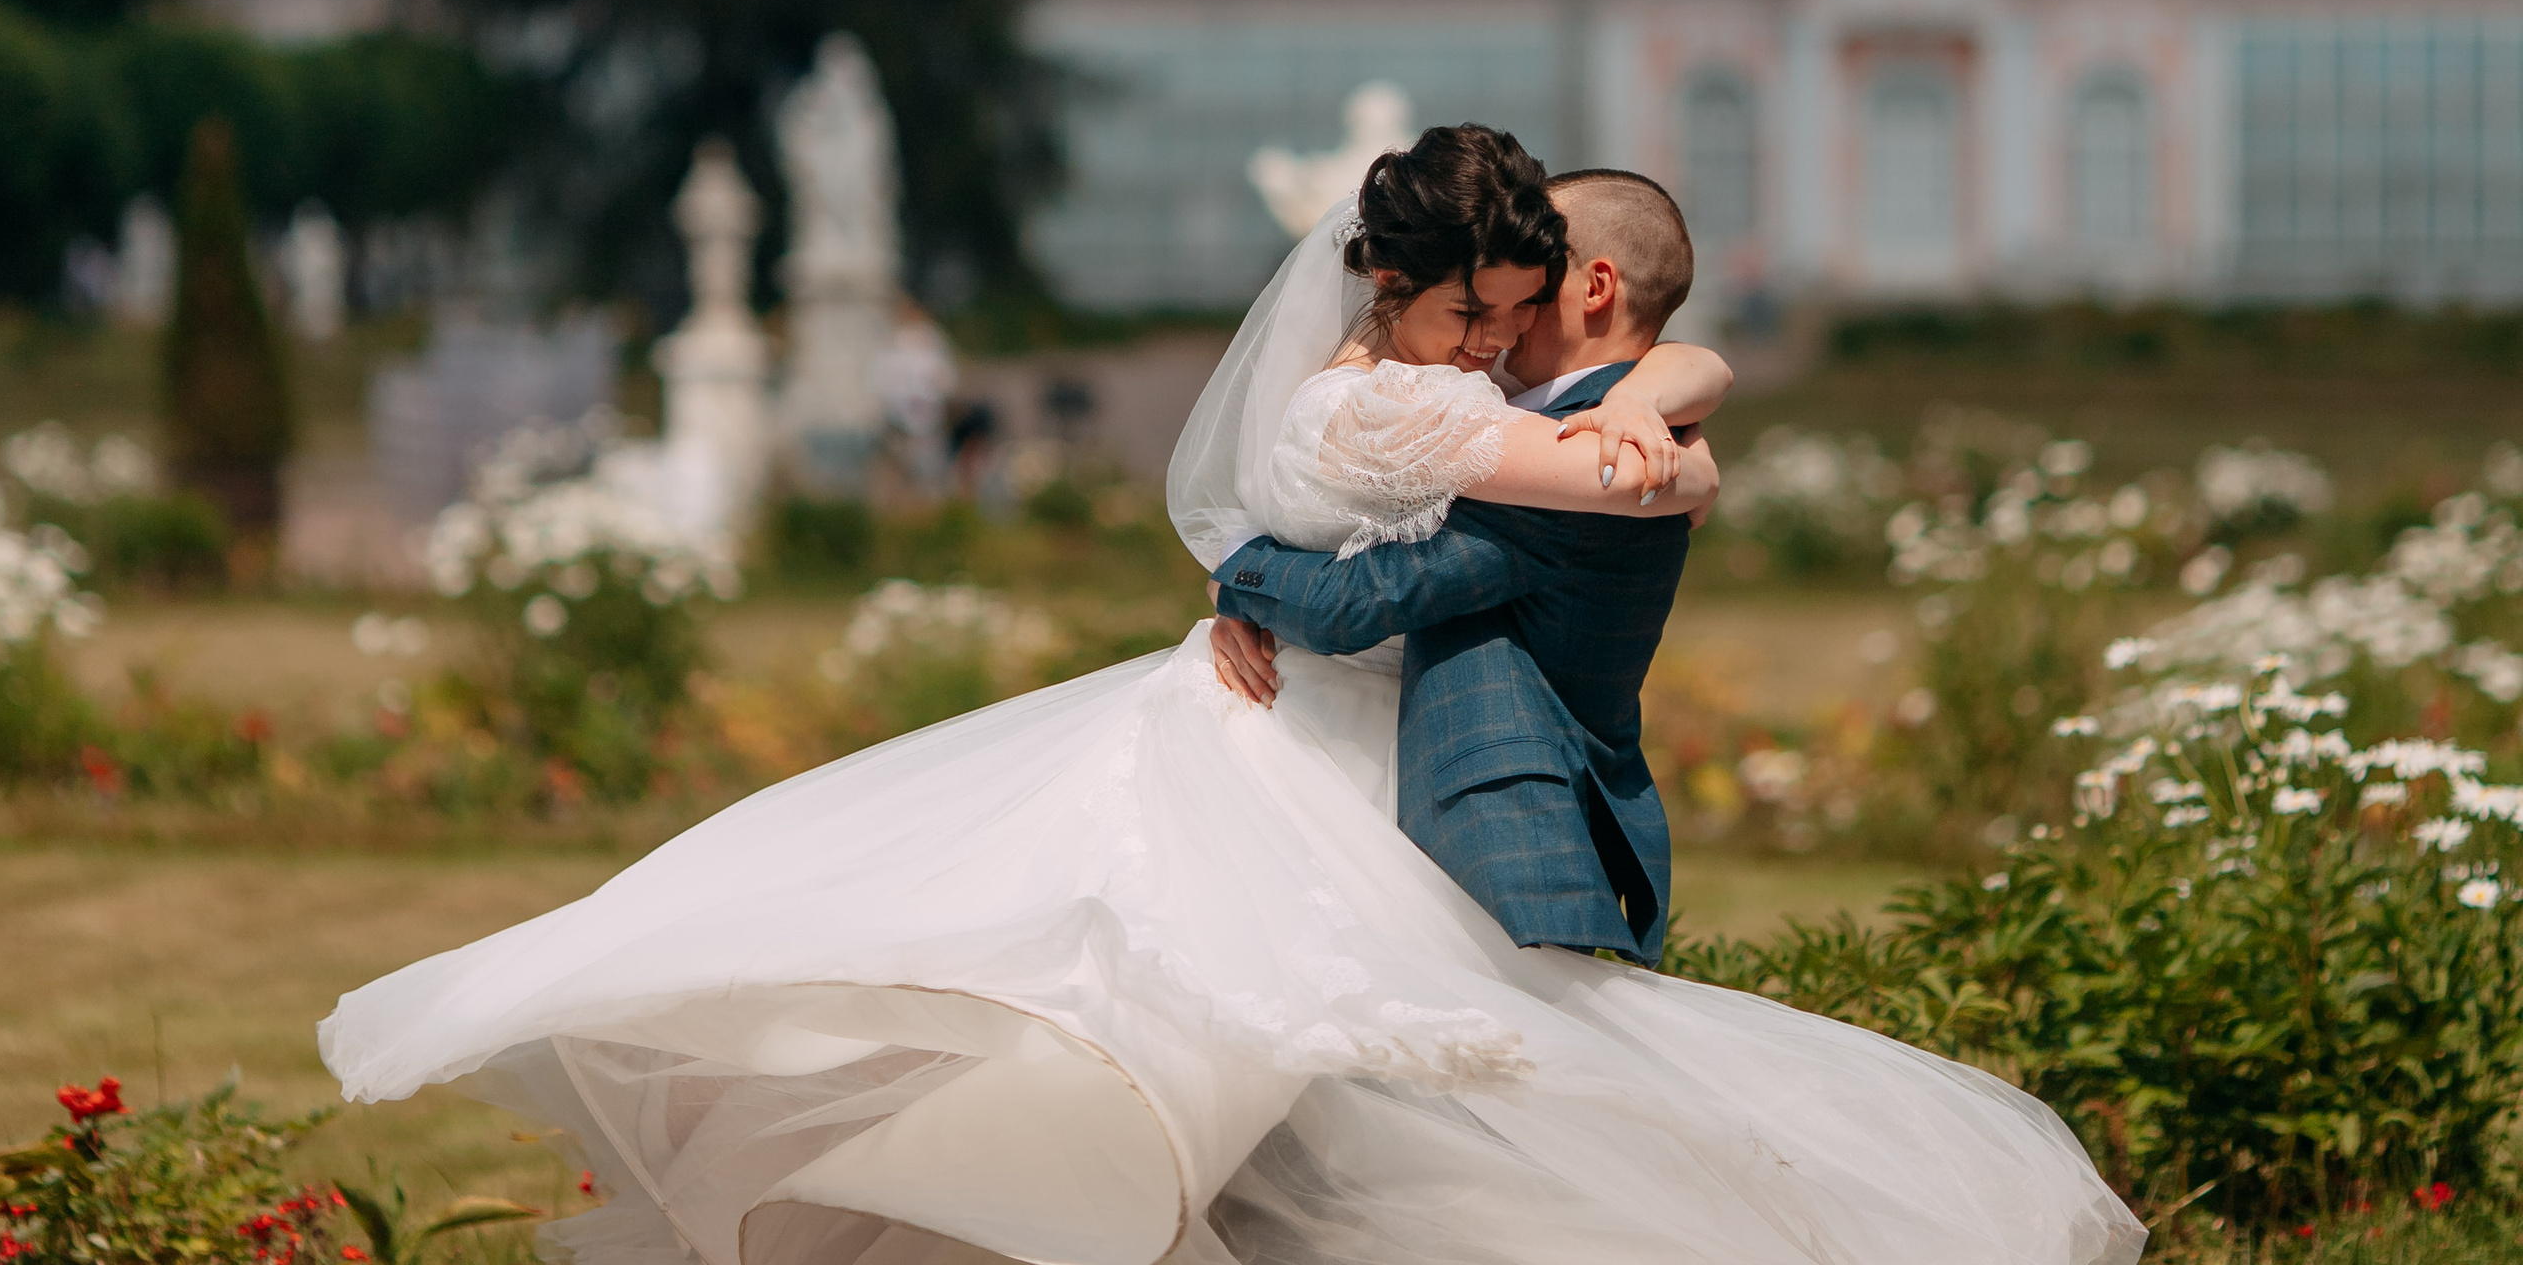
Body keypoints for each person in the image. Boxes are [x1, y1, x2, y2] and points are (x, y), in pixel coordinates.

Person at [318, 123, 2142, 1265]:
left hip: (1304, 725)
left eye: (1519, 316)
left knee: (1254, 1045)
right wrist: (1657, 443)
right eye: (1480, 313)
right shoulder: (1420, 406)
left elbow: (1588, 444)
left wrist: (1671, 407)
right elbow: (1556, 488)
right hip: (1302, 738)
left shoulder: (1419, 390)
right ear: (1417, 291)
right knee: (1245, 1030)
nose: (1500, 345)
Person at [1206, 167, 1713, 961]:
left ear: (1595, 286)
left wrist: (1236, 573)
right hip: (1439, 767)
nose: (1505, 330)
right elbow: (1696, 367)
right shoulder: (1620, 417)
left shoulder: (1591, 453)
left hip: (1504, 811)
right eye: (1484, 303)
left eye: (1532, 292)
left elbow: (1357, 601)